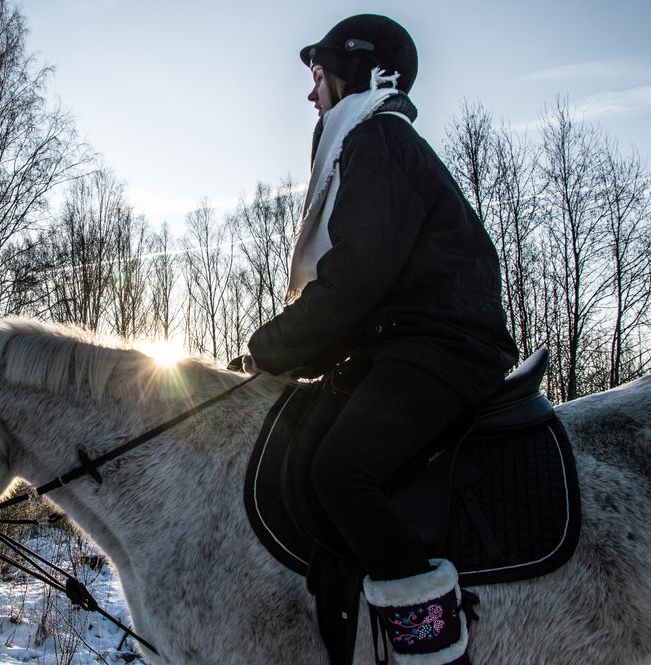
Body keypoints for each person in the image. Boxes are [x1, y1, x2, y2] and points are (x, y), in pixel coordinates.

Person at [243, 14, 518, 665]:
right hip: (402, 344)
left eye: (318, 78)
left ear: (355, 75)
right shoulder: (365, 143)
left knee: (342, 468)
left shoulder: (378, 140)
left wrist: (270, 347)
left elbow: (358, 275)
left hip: (443, 346)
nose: (312, 96)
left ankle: (435, 646)